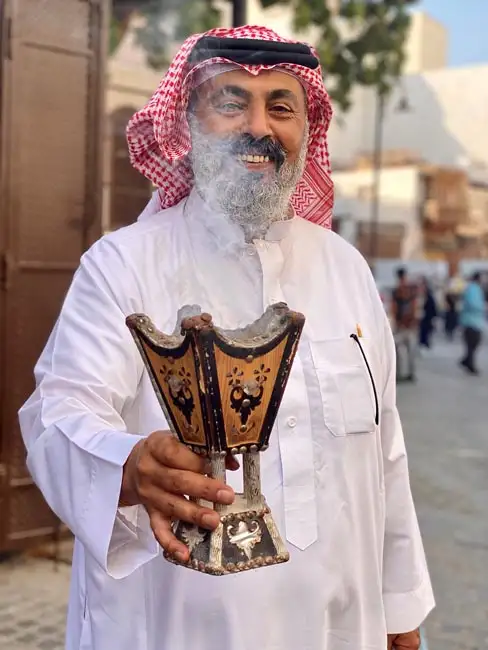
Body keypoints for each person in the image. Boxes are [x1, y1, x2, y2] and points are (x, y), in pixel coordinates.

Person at [18, 26, 434, 650]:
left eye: (281, 107)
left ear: (306, 127)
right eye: (231, 102)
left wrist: (400, 608)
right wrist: (127, 465)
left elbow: (385, 450)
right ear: (187, 123)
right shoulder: (123, 264)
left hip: (337, 630)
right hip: (171, 627)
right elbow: (57, 415)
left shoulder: (344, 267)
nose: (260, 127)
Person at [391, 267, 418, 381]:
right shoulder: (407, 290)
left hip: (404, 325)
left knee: (402, 350)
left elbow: (395, 308)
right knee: (405, 350)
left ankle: (402, 373)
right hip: (406, 325)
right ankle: (405, 373)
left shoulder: (398, 291)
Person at [459, 271, 486, 375]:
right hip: (471, 321)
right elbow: (473, 304)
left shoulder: (475, 288)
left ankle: (467, 361)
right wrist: (483, 307)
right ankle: (470, 364)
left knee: (473, 343)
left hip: (474, 321)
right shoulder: (473, 289)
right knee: (473, 342)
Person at [418, 277, 438, 350]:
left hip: (427, 318)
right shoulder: (420, 296)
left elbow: (433, 308)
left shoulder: (429, 297)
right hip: (422, 319)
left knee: (426, 332)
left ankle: (425, 344)